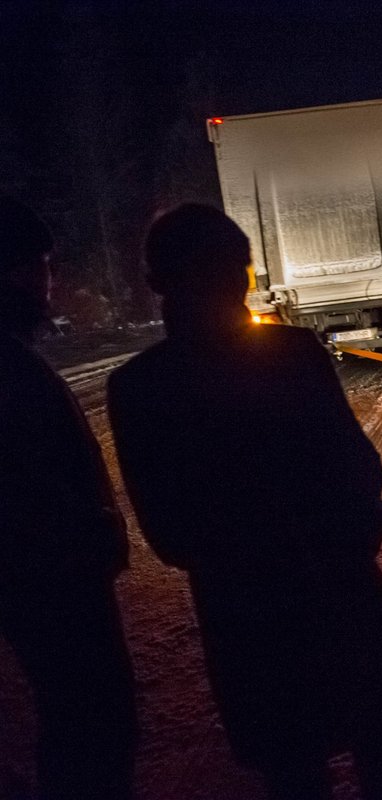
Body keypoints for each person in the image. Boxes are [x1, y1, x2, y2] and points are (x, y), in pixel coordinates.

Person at [107, 204, 382, 800]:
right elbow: (359, 470)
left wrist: (238, 562)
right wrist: (351, 545)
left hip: (245, 619)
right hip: (338, 589)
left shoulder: (139, 387)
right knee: (379, 751)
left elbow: (168, 532)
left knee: (294, 768)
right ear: (241, 276)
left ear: (156, 284)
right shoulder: (293, 355)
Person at [0, 197, 137, 799]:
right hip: (52, 586)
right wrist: (90, 545)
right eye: (40, 266)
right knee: (90, 729)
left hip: (48, 581)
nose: (47, 284)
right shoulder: (12, 372)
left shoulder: (18, 363)